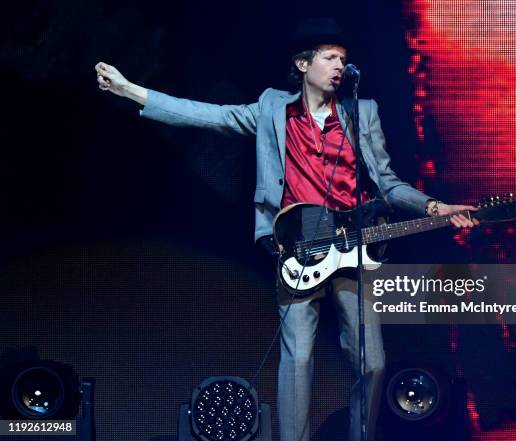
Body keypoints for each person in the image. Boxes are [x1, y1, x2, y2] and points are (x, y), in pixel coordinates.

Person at [95, 17, 477, 441]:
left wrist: (434, 205)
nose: (339, 67)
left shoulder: (361, 112)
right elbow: (207, 115)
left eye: (344, 60)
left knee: (373, 363)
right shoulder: (272, 109)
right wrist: (131, 90)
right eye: (330, 58)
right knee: (297, 361)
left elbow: (387, 182)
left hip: (353, 250)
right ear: (302, 64)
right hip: (298, 249)